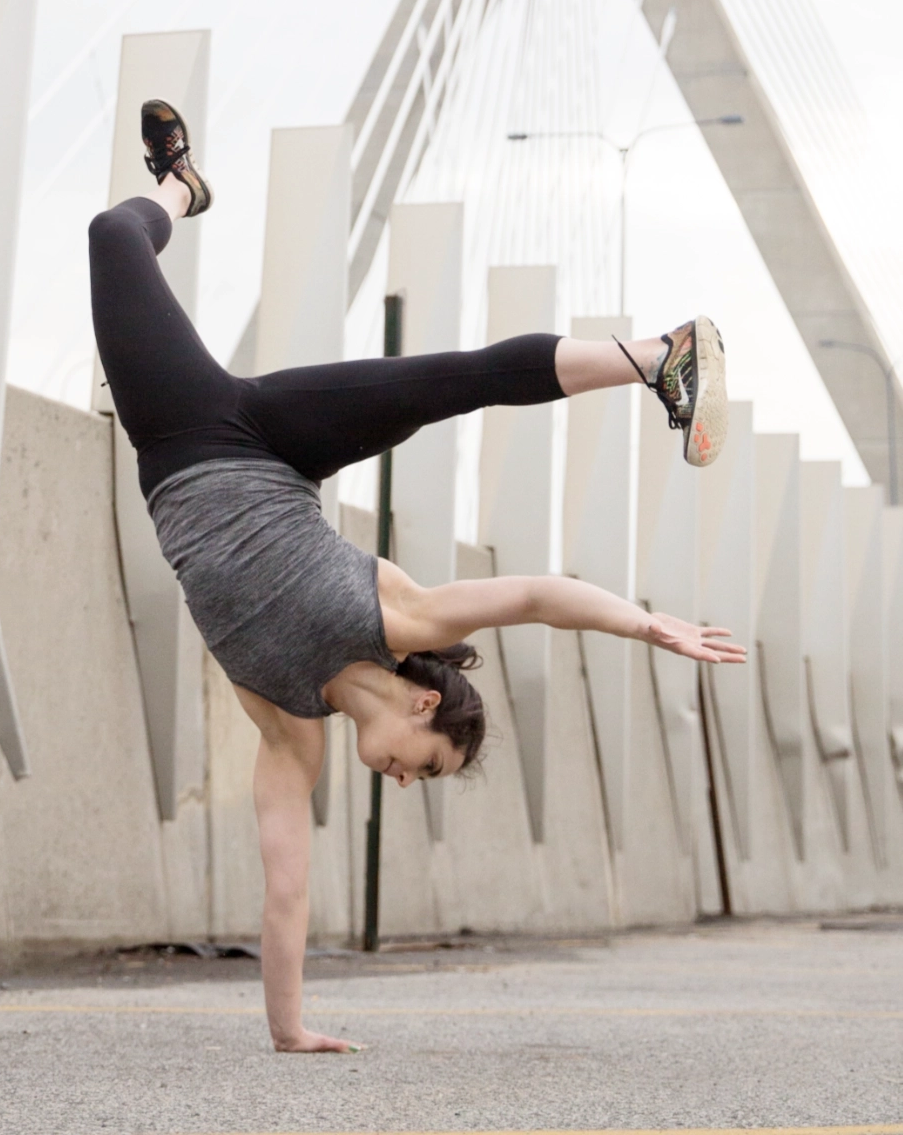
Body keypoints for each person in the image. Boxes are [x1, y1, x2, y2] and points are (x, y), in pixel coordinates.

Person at [87, 100, 746, 1055]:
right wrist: (646, 627)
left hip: (176, 441)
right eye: (423, 767)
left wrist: (290, 1030)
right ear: (425, 711)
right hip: (270, 441)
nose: (401, 780)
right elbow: (533, 596)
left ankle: (183, 188)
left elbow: (285, 889)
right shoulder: (399, 620)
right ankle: (658, 357)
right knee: (451, 380)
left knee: (110, 242)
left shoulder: (286, 729)